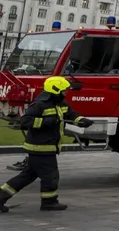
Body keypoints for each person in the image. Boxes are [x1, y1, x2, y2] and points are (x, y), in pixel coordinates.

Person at [0, 76, 92, 213]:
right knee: (51, 175)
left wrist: (82, 120)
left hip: (46, 148)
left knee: (27, 176)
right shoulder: (39, 105)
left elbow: (72, 115)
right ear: (56, 91)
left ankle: (1, 197)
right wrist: (46, 122)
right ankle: (49, 202)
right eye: (64, 90)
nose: (66, 93)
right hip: (40, 149)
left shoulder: (61, 104)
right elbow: (25, 122)